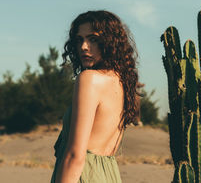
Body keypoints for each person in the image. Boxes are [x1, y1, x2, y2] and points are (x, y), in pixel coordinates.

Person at [51, 10, 139, 183]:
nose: (84, 46)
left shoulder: (89, 79)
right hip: (109, 176)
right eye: (79, 40)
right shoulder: (123, 83)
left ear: (110, 42)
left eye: (93, 39)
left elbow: (75, 155)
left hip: (84, 175)